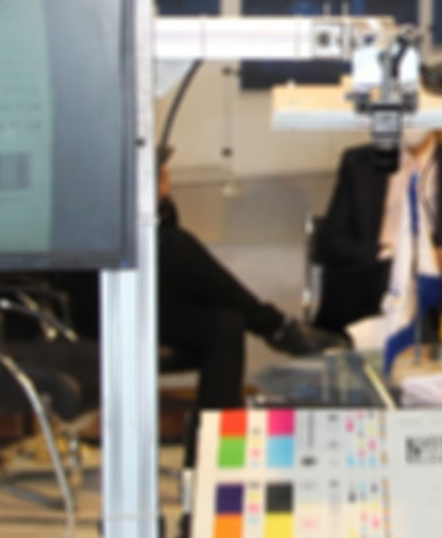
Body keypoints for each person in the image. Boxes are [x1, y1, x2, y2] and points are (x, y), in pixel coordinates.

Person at [46, 162, 341, 413]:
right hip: (78, 303)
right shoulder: (64, 172)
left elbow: (155, 239)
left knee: (225, 324)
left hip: (124, 291)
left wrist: (159, 200)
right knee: (175, 245)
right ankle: (276, 326)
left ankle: (211, 446)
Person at [313, 130, 442, 336]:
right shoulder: (360, 163)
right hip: (374, 281)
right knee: (392, 279)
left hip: (439, 291)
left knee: (430, 296)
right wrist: (389, 253)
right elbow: (329, 243)